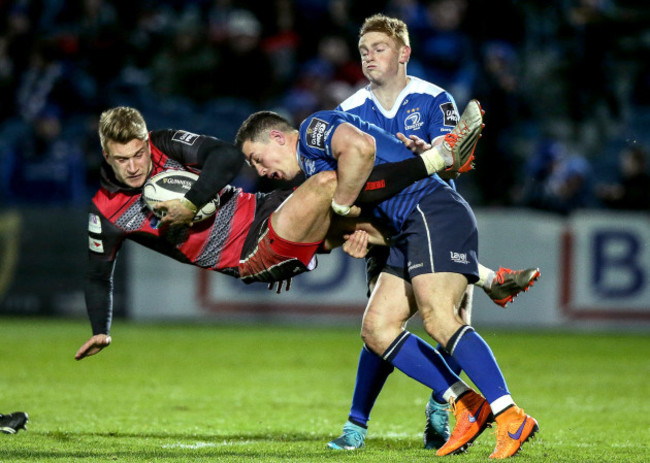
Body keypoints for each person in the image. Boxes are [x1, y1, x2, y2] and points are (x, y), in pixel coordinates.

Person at [235, 107, 539, 459]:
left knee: (440, 318)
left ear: (276, 137)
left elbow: (361, 149)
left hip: (431, 210)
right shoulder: (316, 175)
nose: (259, 171)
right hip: (405, 231)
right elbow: (354, 217)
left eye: (256, 159)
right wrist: (344, 237)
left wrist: (342, 205)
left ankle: (509, 414)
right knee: (377, 330)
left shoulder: (311, 131)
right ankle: (468, 403)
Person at [74, 106, 468, 360]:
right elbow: (96, 274)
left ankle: (471, 267)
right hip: (252, 252)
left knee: (362, 209)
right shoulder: (106, 212)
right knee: (335, 186)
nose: (133, 166)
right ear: (106, 156)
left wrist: (191, 203)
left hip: (265, 209)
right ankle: (435, 160)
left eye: (138, 154)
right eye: (121, 159)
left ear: (146, 142)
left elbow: (225, 157)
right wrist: (100, 330)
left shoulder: (163, 144)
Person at [328, 14, 540, 451]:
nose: (369, 56)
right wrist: (353, 226)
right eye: (363, 50)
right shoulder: (347, 111)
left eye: (379, 48)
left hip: (433, 222)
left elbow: (455, 158)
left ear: (404, 53)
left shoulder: (433, 99)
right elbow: (345, 180)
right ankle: (358, 423)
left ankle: (446, 412)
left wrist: (430, 153)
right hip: (384, 229)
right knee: (381, 327)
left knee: (443, 320)